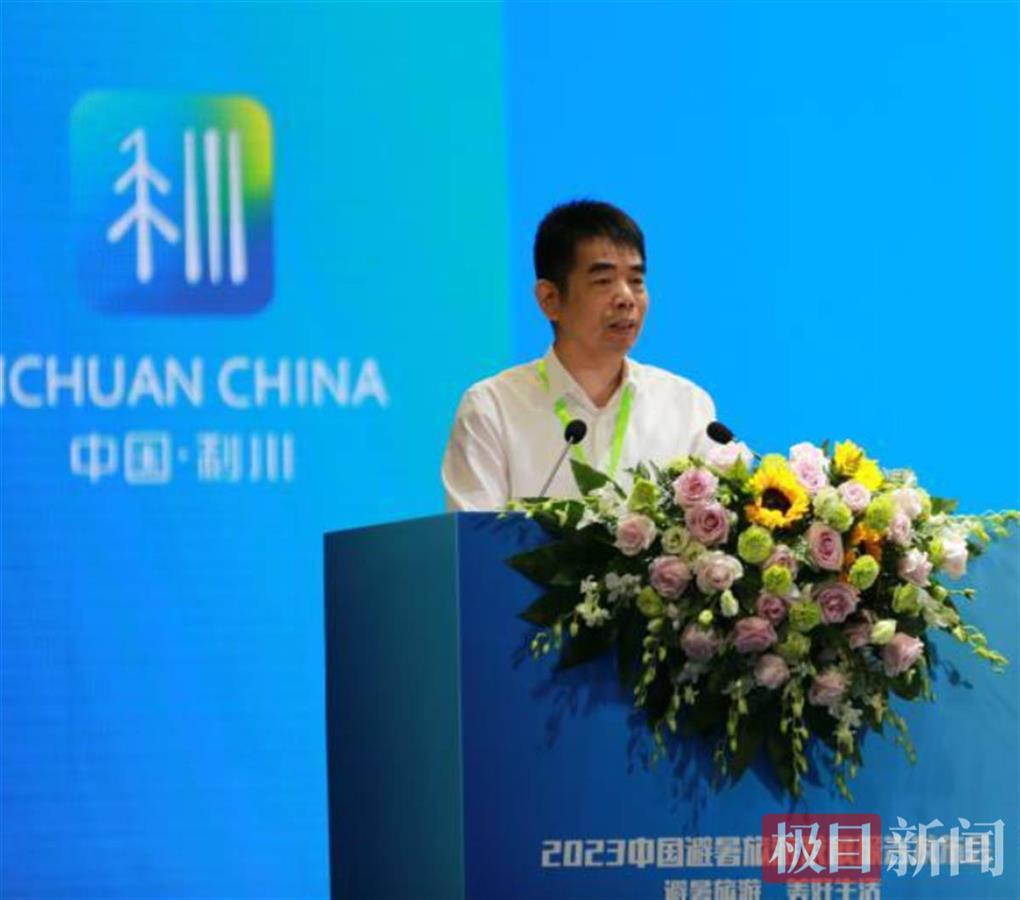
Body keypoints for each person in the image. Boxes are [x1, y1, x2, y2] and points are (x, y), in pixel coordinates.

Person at [441, 199, 718, 511]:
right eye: (603, 281)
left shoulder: (686, 407)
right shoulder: (492, 410)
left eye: (636, 281)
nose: (626, 298)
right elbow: (475, 537)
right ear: (549, 299)